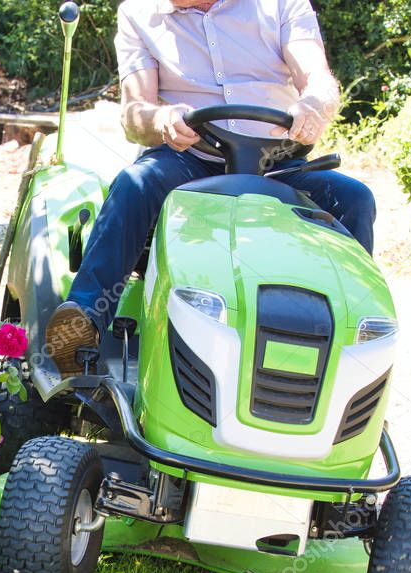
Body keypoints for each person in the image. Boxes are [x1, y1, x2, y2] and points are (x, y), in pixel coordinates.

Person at [44, 0, 376, 378]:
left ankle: (351, 348)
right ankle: (83, 323)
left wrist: (313, 105)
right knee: (135, 184)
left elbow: (319, 80)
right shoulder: (138, 13)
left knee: (354, 198)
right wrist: (161, 118)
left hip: (276, 162)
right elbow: (134, 114)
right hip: (187, 159)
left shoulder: (281, 5)